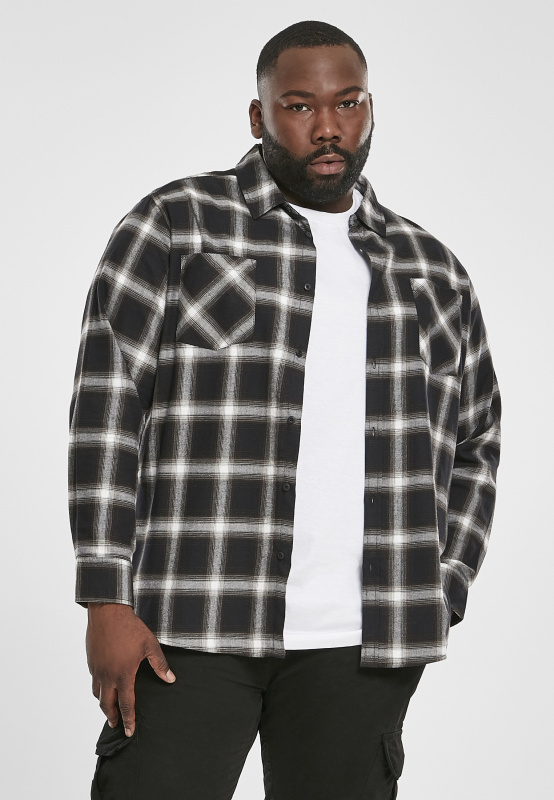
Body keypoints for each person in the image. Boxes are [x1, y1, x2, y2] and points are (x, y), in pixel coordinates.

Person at [69, 20, 501, 800]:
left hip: (364, 644)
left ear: (370, 109)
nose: (328, 126)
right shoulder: (175, 224)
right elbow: (107, 409)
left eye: (348, 103)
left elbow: (477, 437)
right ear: (259, 115)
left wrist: (446, 584)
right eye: (300, 106)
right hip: (189, 623)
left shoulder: (432, 271)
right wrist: (106, 596)